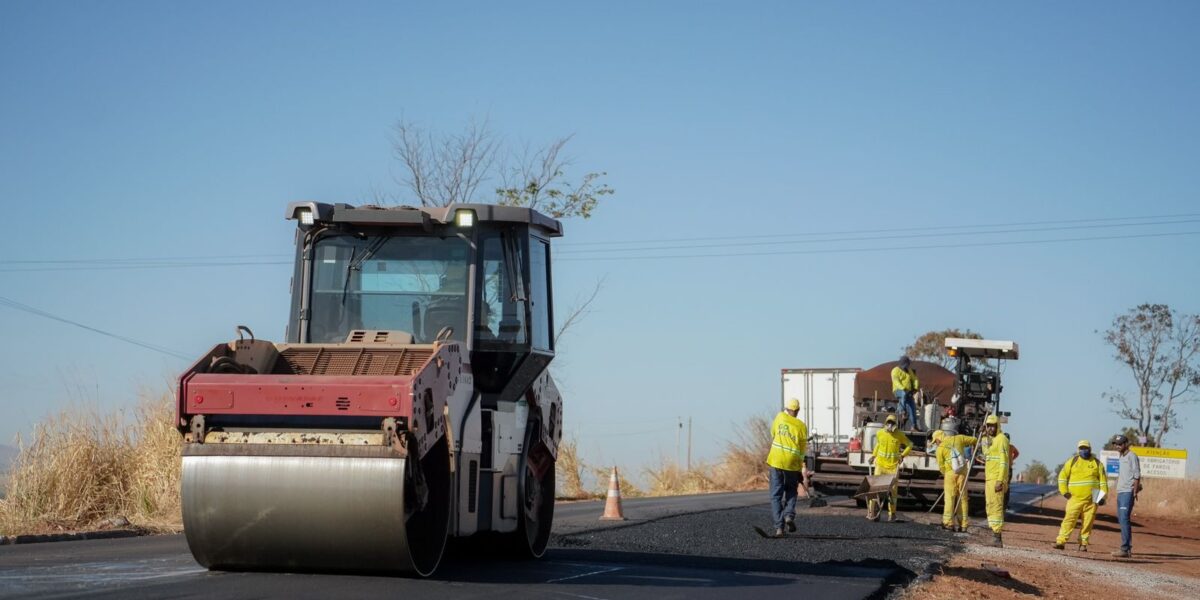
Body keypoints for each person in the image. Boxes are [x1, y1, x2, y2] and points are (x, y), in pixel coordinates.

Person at [1054, 439, 1108, 551]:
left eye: (1085, 448)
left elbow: (1103, 482)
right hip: (1074, 498)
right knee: (1069, 520)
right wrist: (1064, 492)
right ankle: (1061, 542)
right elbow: (1062, 477)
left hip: (1093, 498)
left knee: (1088, 522)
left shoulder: (1097, 463)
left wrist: (1102, 497)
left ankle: (1083, 544)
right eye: (1081, 448)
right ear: (1078, 450)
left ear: (1090, 449)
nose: (1083, 450)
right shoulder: (1072, 461)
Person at [765, 398, 808, 537]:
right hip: (792, 464)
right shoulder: (802, 426)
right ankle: (789, 515)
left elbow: (773, 433)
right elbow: (802, 451)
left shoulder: (780, 417)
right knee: (791, 491)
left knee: (776, 495)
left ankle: (779, 528)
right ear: (798, 410)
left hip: (776, 461)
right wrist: (799, 469)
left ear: (787, 409)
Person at [868, 414, 912, 522]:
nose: (890, 425)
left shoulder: (899, 435)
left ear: (895, 424)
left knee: (893, 492)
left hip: (893, 468)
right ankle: (873, 512)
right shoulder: (880, 433)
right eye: (889, 422)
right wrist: (873, 456)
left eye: (892, 423)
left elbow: (910, 445)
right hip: (880, 465)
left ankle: (892, 514)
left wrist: (902, 455)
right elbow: (878, 445)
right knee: (875, 489)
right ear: (885, 423)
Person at [930, 429, 977, 532]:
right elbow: (974, 440)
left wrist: (946, 474)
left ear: (938, 438)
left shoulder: (940, 449)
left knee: (949, 498)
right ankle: (963, 525)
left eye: (935, 441)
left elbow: (941, 466)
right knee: (962, 498)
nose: (936, 443)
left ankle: (948, 523)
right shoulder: (959, 438)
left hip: (950, 474)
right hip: (962, 474)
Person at [1110, 434, 1141, 558]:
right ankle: (1126, 549)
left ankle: (1125, 549)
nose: (1117, 446)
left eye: (1120, 444)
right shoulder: (1121, 456)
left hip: (1128, 492)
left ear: (1126, 444)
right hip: (1120, 491)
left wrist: (1135, 491)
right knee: (1121, 519)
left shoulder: (1132, 456)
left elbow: (1137, 475)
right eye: (1116, 444)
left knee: (1124, 519)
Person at [982, 414, 1010, 547]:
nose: (990, 429)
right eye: (988, 426)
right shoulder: (990, 440)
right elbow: (985, 453)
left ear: (997, 426)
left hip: (996, 479)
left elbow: (1004, 462)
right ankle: (993, 533)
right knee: (990, 505)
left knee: (997, 507)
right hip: (989, 478)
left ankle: (997, 537)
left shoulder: (1002, 439)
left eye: (993, 426)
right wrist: (983, 437)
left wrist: (1000, 480)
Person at [891, 356, 922, 431]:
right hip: (898, 390)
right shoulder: (895, 370)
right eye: (906, 364)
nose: (907, 366)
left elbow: (915, 379)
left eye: (908, 364)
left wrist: (915, 388)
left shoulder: (909, 371)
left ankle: (914, 426)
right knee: (903, 394)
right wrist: (903, 389)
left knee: (912, 407)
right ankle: (902, 412)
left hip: (908, 392)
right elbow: (895, 381)